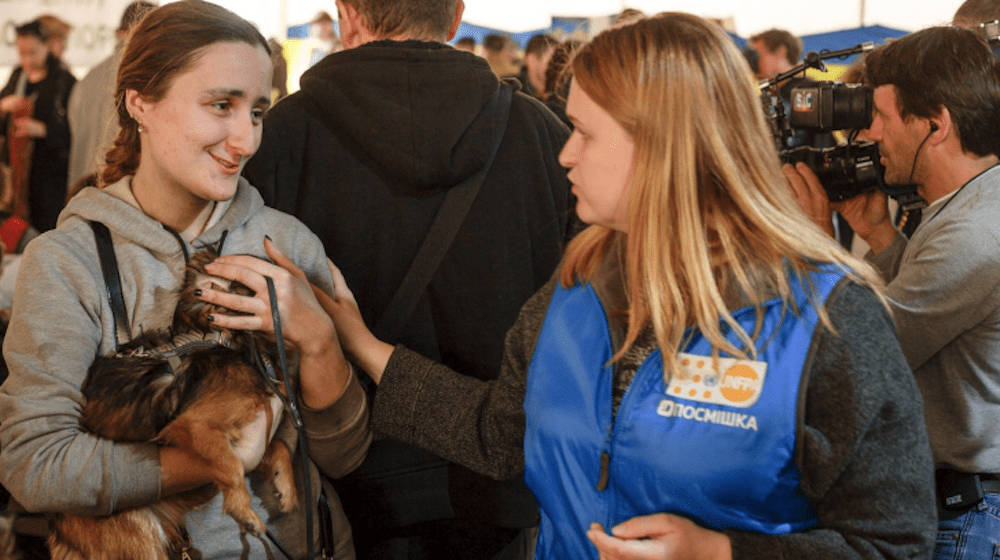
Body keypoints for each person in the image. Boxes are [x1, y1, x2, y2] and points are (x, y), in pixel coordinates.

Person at [309, 12, 938, 560]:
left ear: (662, 145)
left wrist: (721, 552)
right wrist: (357, 341)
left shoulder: (825, 319)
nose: (565, 154)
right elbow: (502, 432)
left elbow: (893, 542)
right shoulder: (578, 283)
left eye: (584, 132)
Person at [0, 2, 370, 559]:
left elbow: (345, 457)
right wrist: (214, 461)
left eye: (257, 112)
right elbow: (35, 466)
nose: (245, 140)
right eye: (221, 105)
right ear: (140, 102)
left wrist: (319, 343)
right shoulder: (65, 263)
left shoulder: (285, 244)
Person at [242, 0, 576, 558]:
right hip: (502, 485)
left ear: (347, 14)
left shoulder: (277, 139)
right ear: (455, 17)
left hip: (340, 483)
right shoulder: (540, 132)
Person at [785, 24, 1000, 560]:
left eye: (879, 117)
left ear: (936, 123)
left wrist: (816, 246)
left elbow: (868, 355)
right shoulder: (969, 205)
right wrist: (880, 235)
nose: (869, 136)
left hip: (965, 515)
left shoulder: (973, 234)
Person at [67, 1, 157, 197]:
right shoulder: (148, 79)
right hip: (125, 195)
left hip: (82, 192)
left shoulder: (86, 80)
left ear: (119, 32)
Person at [0, 19, 76, 233]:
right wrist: (4, 106)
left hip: (49, 182)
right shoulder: (18, 77)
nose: (27, 60)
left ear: (47, 46)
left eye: (33, 52)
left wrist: (42, 130)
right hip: (17, 179)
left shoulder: (65, 82)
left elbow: (76, 134)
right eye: (21, 53)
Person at [751, 28, 836, 151]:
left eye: (758, 54)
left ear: (781, 51)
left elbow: (822, 145)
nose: (753, 62)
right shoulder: (772, 94)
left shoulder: (808, 91)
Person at [516, 33, 557, 99]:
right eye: (553, 60)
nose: (559, 66)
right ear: (532, 60)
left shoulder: (558, 94)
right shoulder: (514, 94)